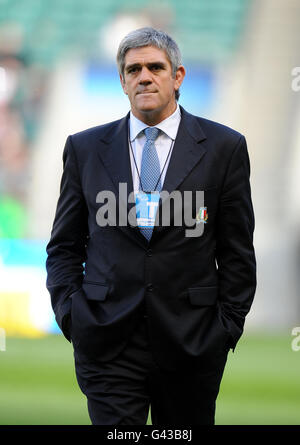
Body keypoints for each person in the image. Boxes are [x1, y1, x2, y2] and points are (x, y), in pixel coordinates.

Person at [46, 27, 256, 425]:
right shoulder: (84, 148)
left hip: (191, 342)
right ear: (123, 81)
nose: (144, 76)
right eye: (133, 69)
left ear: (177, 76)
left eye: (156, 67)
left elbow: (237, 252)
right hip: (106, 342)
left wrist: (225, 329)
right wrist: (72, 314)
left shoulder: (225, 147)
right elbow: (64, 246)